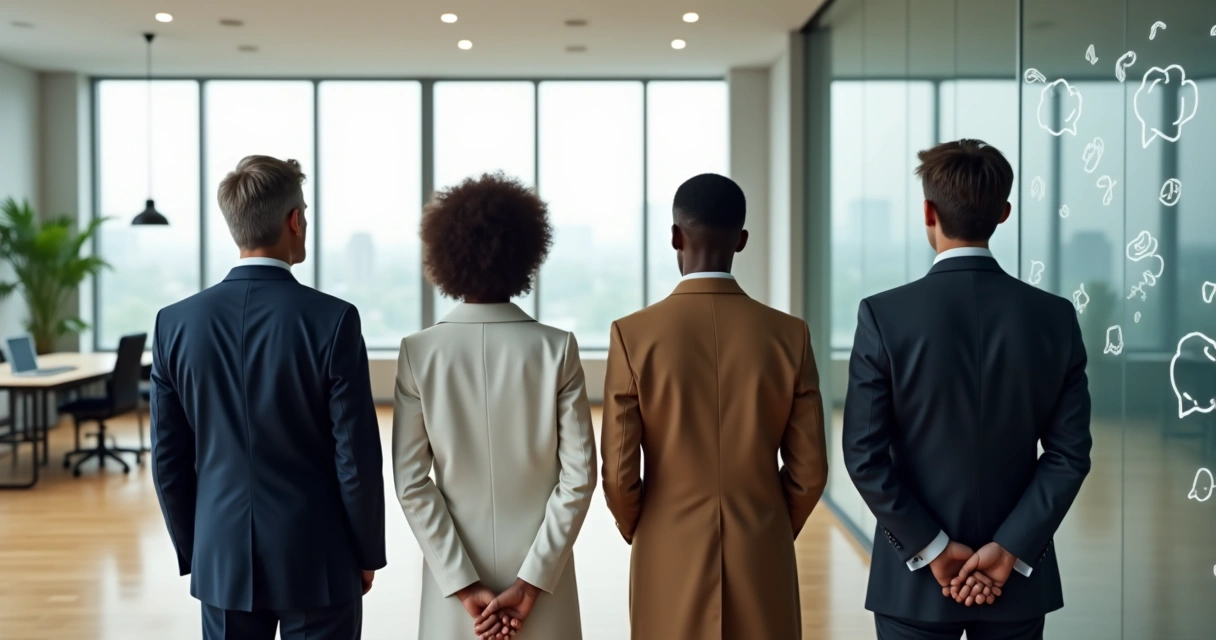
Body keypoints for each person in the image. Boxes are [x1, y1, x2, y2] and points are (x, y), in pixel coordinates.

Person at [842, 139, 1092, 640]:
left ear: (928, 211)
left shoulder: (883, 315)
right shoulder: (1054, 317)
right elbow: (1069, 455)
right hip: (1015, 583)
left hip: (912, 582)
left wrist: (932, 547)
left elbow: (864, 456)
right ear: (1004, 213)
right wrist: (1010, 548)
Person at [150, 155, 385, 640]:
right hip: (320, 558)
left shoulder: (173, 324)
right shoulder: (334, 320)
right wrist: (365, 554)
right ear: (294, 221)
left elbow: (168, 462)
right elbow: (355, 460)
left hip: (221, 559)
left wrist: (202, 552)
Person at [601, 173, 829, 640]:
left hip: (666, 548)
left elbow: (619, 474)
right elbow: (810, 472)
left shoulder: (633, 336)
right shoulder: (789, 335)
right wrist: (770, 525)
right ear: (741, 241)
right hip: (762, 544)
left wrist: (644, 530)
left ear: (674, 237)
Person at [392, 173, 597, 640]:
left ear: (445, 257)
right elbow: (580, 476)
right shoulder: (556, 349)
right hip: (543, 585)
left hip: (457, 593)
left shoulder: (418, 353)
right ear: (526, 255)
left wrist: (463, 585)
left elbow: (411, 483)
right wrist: (531, 580)